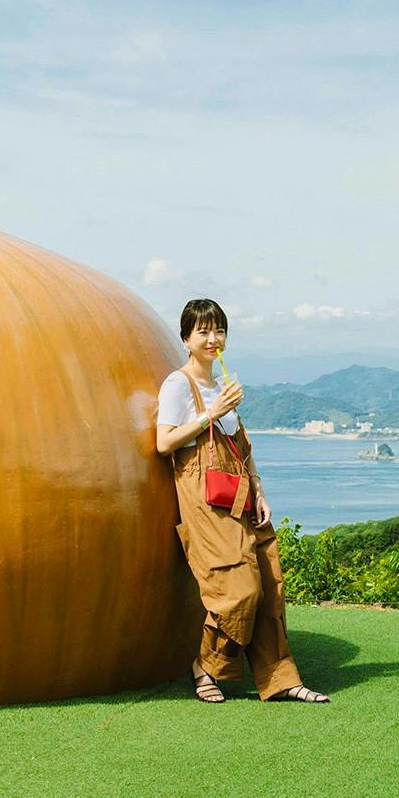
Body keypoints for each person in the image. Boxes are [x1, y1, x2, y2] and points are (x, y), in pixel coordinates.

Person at [155, 298, 330, 704]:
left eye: (219, 330)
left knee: (269, 587)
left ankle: (281, 679)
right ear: (186, 339)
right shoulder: (178, 384)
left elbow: (241, 448)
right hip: (206, 500)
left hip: (242, 494)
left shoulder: (222, 386)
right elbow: (164, 443)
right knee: (238, 590)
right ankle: (205, 666)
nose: (213, 339)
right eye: (203, 331)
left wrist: (259, 489)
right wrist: (211, 413)